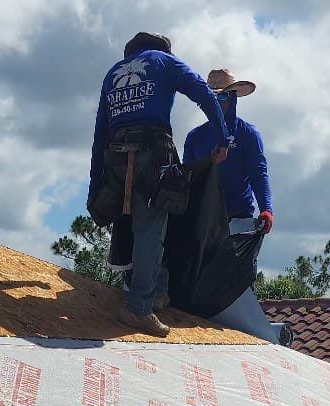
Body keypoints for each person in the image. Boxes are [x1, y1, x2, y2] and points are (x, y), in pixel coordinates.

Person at [89, 32, 231, 337]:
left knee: (137, 226)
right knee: (152, 227)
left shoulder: (113, 72)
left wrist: (95, 185)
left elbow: (100, 131)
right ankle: (139, 307)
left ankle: (155, 291)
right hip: (153, 152)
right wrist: (222, 137)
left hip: (115, 156)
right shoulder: (164, 61)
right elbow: (203, 94)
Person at [183, 68, 288, 345]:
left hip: (239, 220)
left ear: (234, 98)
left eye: (224, 97)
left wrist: (267, 208)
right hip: (205, 222)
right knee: (203, 278)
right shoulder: (196, 138)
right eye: (213, 98)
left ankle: (243, 333)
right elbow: (188, 180)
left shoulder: (248, 134)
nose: (220, 103)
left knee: (237, 279)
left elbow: (259, 173)